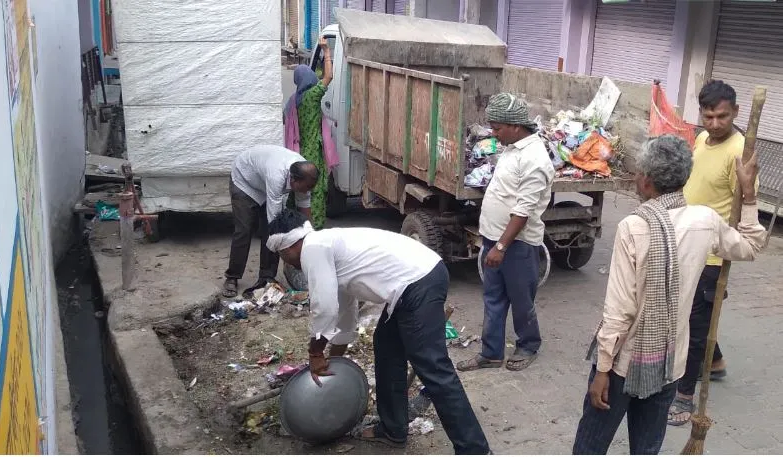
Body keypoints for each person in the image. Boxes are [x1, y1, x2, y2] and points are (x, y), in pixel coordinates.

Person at [572, 135, 765, 455]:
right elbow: (750, 246)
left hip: (623, 364)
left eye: (637, 172)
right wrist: (748, 194)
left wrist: (603, 369)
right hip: (668, 364)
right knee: (647, 448)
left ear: (647, 181)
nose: (635, 177)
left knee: (589, 447)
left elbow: (620, 309)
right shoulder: (704, 220)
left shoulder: (634, 226)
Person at [265, 209, 491, 455]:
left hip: (417, 283)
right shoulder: (327, 245)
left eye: (282, 256)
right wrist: (336, 357)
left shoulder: (313, 249)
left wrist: (315, 351)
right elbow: (344, 307)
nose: (287, 263)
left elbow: (324, 306)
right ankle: (393, 430)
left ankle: (475, 449)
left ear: (287, 247)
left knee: (435, 370)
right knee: (387, 348)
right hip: (414, 282)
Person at [667, 80, 758, 426]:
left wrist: (728, 251)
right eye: (709, 116)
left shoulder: (742, 154)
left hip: (712, 256)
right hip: (686, 244)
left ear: (735, 112)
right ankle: (715, 362)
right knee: (696, 317)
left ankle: (685, 395)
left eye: (722, 116)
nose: (715, 123)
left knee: (692, 324)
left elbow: (746, 210)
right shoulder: (702, 139)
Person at [457, 93, 554, 373]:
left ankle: (528, 345)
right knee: (493, 298)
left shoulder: (534, 159)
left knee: (522, 300)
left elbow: (523, 211)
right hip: (494, 239)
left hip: (517, 245)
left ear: (515, 126)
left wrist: (501, 247)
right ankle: (491, 353)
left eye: (497, 128)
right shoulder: (512, 148)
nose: (494, 133)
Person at [221, 145, 319, 298]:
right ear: (292, 180)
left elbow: (304, 210)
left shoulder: (305, 176)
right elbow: (275, 223)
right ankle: (232, 277)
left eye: (309, 189)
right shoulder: (277, 174)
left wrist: (309, 242)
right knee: (245, 229)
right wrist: (289, 250)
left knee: (270, 232)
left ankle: (267, 277)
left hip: (265, 183)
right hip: (245, 181)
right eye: (304, 188)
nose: (306, 191)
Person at [283, 37, 333, 230]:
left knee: (298, 190)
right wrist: (326, 51)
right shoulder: (312, 97)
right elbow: (328, 77)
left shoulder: (293, 101)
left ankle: (295, 224)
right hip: (312, 154)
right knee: (316, 190)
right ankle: (315, 226)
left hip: (296, 153)